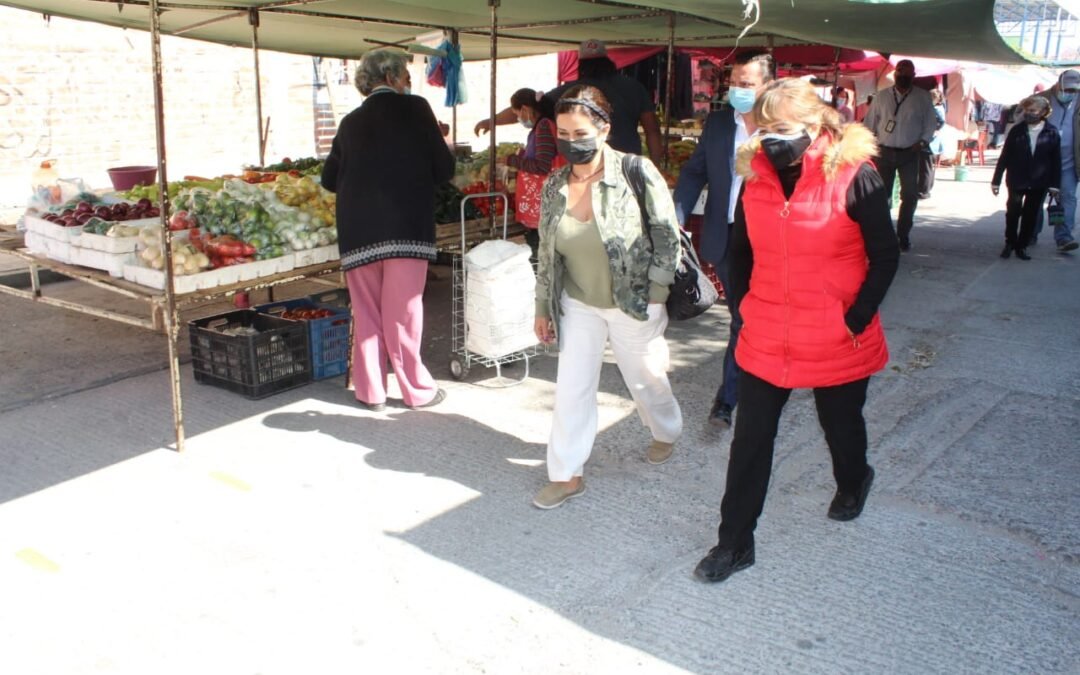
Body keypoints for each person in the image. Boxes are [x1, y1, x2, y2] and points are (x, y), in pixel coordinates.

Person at [693, 78, 900, 583]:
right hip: (768, 330)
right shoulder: (757, 179)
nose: (769, 139)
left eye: (781, 129)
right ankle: (735, 543)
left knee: (841, 424)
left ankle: (855, 480)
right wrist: (745, 307)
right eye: (763, 129)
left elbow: (886, 255)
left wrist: (856, 316)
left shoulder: (855, 175)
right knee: (751, 440)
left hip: (835, 331)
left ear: (815, 125)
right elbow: (741, 251)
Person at [532, 85, 682, 509]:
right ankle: (566, 474)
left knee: (645, 378)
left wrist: (657, 293)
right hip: (578, 302)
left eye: (579, 132)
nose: (569, 142)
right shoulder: (555, 184)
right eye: (562, 133)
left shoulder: (636, 171)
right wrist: (543, 306)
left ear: (604, 129)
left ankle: (665, 429)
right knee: (572, 388)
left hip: (634, 301)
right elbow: (546, 249)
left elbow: (666, 236)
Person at [321, 49, 454, 412]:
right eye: (406, 77)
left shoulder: (349, 123)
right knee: (404, 313)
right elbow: (444, 170)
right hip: (405, 229)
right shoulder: (416, 110)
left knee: (366, 312)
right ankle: (416, 391)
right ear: (394, 77)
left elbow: (329, 179)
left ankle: (371, 392)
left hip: (358, 231)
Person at [672, 50, 776, 429]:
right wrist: (677, 218)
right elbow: (695, 171)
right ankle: (736, 393)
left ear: (767, 86)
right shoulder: (717, 124)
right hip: (726, 236)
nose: (738, 90)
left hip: (770, 242)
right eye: (734, 83)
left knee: (749, 318)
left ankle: (728, 399)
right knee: (743, 317)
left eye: (746, 84)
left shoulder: (783, 128)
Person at [475, 40, 664, 165]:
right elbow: (652, 130)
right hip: (627, 162)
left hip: (588, 166)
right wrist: (655, 166)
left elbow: (532, 107)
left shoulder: (571, 89)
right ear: (608, 61)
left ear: (581, 65)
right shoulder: (634, 87)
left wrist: (491, 121)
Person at [862, 59, 938, 251]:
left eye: (906, 73)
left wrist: (923, 141)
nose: (902, 76)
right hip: (884, 152)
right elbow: (870, 123)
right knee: (881, 196)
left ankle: (903, 234)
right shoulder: (882, 96)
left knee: (910, 195)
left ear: (913, 75)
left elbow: (930, 123)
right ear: (894, 75)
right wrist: (868, 147)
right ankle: (883, 235)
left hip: (909, 153)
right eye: (899, 72)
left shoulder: (922, 97)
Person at [991, 96, 1061, 261]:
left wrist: (1055, 185)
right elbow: (1005, 156)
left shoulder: (1051, 132)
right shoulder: (1017, 130)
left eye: (1033, 110)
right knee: (1013, 212)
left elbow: (1056, 160)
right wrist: (996, 180)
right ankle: (1010, 242)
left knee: (1031, 214)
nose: (1028, 114)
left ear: (1043, 112)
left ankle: (1021, 246)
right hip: (1017, 178)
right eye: (1026, 110)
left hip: (1039, 181)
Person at [503, 88, 562, 260]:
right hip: (543, 203)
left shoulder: (543, 127)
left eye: (517, 114)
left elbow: (542, 166)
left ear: (525, 109)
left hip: (543, 203)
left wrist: (512, 161)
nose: (519, 119)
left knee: (541, 253)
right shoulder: (541, 127)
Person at [1041, 70, 1080, 252]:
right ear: (1058, 85)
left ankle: (1064, 238)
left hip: (1069, 162)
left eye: (1074, 91)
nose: (1071, 94)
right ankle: (1029, 234)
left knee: (1068, 198)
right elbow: (1021, 119)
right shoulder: (1042, 99)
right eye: (1068, 90)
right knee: (1036, 197)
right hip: (1042, 161)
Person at [918, 89, 947, 199]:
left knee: (926, 167)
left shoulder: (936, 109)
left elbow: (941, 122)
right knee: (928, 167)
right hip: (931, 142)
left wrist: (934, 130)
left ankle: (924, 190)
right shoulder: (938, 108)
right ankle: (925, 189)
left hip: (930, 143)